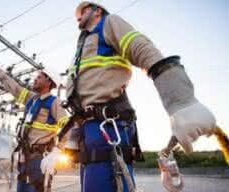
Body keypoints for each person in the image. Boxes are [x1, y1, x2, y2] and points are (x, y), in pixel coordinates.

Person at [41, 1, 217, 192]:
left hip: (107, 126)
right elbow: (81, 103)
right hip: (88, 128)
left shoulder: (109, 23)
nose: (78, 15)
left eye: (83, 10)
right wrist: (59, 147)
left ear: (97, 11)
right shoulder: (84, 44)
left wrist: (181, 99)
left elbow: (142, 49)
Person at [0, 60, 68, 192]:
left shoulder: (55, 103)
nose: (35, 80)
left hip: (40, 160)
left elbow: (68, 128)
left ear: (49, 82)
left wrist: (57, 152)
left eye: (39, 77)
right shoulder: (32, 99)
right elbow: (14, 88)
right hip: (24, 158)